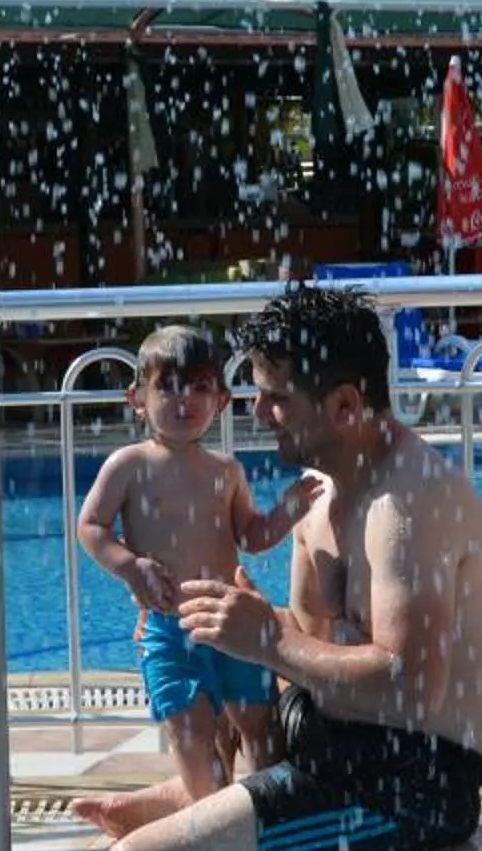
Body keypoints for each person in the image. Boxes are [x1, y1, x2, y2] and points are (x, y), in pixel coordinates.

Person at [77, 283, 482, 851]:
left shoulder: (408, 507)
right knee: (215, 757)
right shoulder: (320, 500)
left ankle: (199, 816)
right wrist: (233, 625)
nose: (257, 413)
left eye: (275, 398)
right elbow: (316, 659)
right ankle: (199, 797)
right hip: (332, 747)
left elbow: (411, 691)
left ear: (343, 405)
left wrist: (268, 639)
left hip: (407, 784)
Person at [75, 325, 321, 806]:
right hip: (170, 630)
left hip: (229, 624)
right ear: (137, 399)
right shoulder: (129, 465)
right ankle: (210, 817)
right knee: (193, 741)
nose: (183, 400)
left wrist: (286, 511)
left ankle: (266, 821)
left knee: (263, 733)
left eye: (199, 387)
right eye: (166, 386)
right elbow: (91, 527)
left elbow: (249, 536)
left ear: (222, 402)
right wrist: (131, 566)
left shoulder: (226, 471)